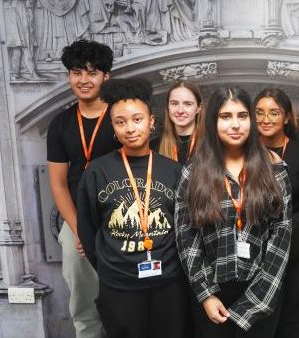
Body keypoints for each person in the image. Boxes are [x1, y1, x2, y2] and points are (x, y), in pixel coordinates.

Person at [77, 78, 193, 338]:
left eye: (137, 119)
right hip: (119, 286)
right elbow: (87, 228)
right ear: (113, 127)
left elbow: (185, 228)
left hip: (168, 285)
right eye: (121, 122)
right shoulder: (97, 171)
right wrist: (113, 268)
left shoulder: (174, 171)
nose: (130, 128)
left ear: (152, 121)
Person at [175, 87, 292, 337]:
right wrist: (205, 294)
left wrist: (253, 304)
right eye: (225, 117)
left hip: (262, 290)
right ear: (213, 121)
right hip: (212, 291)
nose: (235, 124)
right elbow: (187, 237)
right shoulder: (194, 171)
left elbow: (281, 237)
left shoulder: (275, 170)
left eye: (242, 116)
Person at [46, 39, 117, 338]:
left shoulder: (121, 117)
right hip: (76, 223)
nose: (84, 80)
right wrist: (80, 230)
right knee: (84, 308)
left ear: (106, 76)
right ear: (69, 76)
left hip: (120, 223)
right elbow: (58, 183)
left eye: (92, 73)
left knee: (124, 302)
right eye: (77, 72)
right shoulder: (60, 123)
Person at [253, 88, 299, 338]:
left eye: (274, 113)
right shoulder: (246, 154)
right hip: (251, 253)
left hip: (292, 252)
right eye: (259, 113)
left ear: (287, 117)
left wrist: (285, 255)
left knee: (289, 317)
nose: (266, 119)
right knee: (256, 317)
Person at [155, 81, 204, 165]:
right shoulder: (154, 147)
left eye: (188, 104)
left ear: (198, 108)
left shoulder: (211, 145)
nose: (180, 110)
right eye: (174, 104)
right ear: (168, 106)